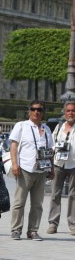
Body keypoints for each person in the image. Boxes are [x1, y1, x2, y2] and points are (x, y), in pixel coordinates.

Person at [9, 100, 54, 241]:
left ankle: (33, 231)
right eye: (33, 109)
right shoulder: (21, 126)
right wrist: (15, 164)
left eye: (39, 110)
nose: (36, 112)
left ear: (43, 112)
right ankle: (16, 230)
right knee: (19, 202)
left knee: (37, 204)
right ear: (29, 111)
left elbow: (50, 151)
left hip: (41, 171)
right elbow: (14, 146)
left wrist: (51, 168)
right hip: (25, 169)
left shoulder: (47, 129)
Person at [47, 101, 75, 235]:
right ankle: (53, 223)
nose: (71, 113)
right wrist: (50, 165)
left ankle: (73, 224)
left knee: (73, 195)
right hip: (58, 164)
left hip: (74, 165)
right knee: (55, 194)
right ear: (65, 113)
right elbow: (52, 146)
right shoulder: (58, 128)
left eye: (73, 111)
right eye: (68, 111)